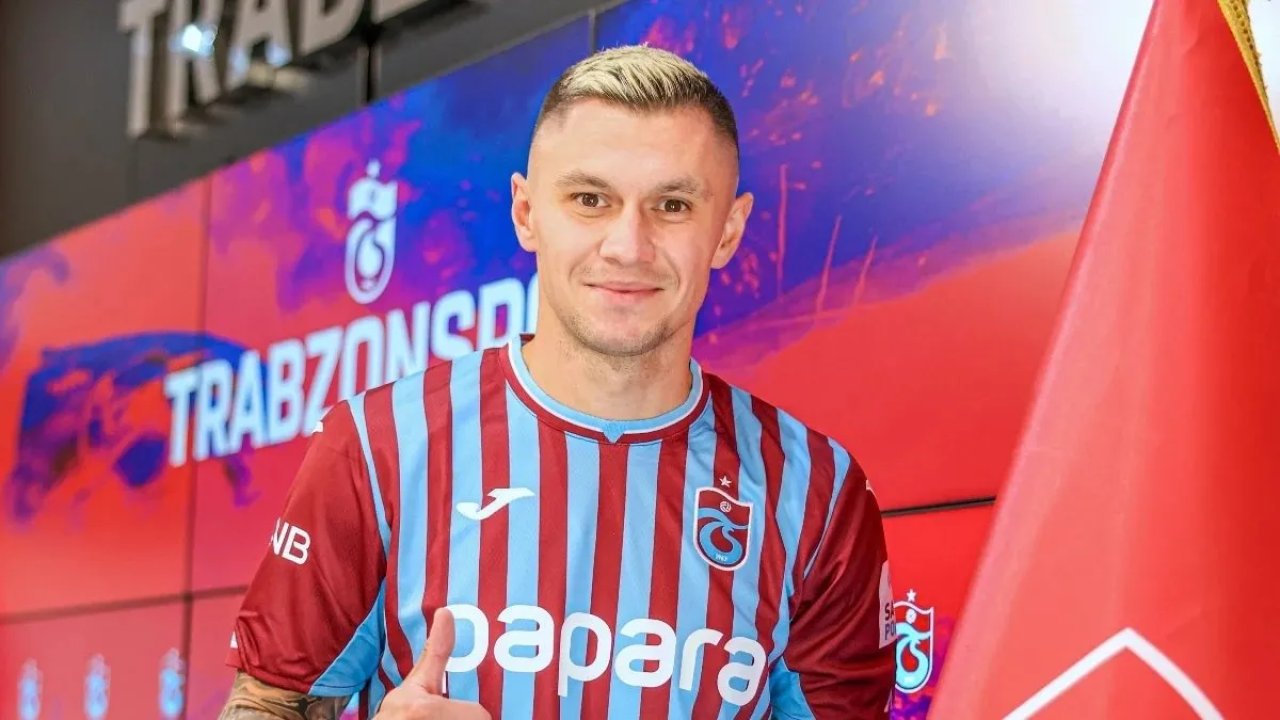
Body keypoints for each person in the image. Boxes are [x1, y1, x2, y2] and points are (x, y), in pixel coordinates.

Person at [219, 44, 896, 720]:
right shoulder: (378, 447)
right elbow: (267, 704)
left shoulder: (817, 493)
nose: (627, 246)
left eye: (672, 205)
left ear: (727, 231)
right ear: (526, 213)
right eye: (589, 199)